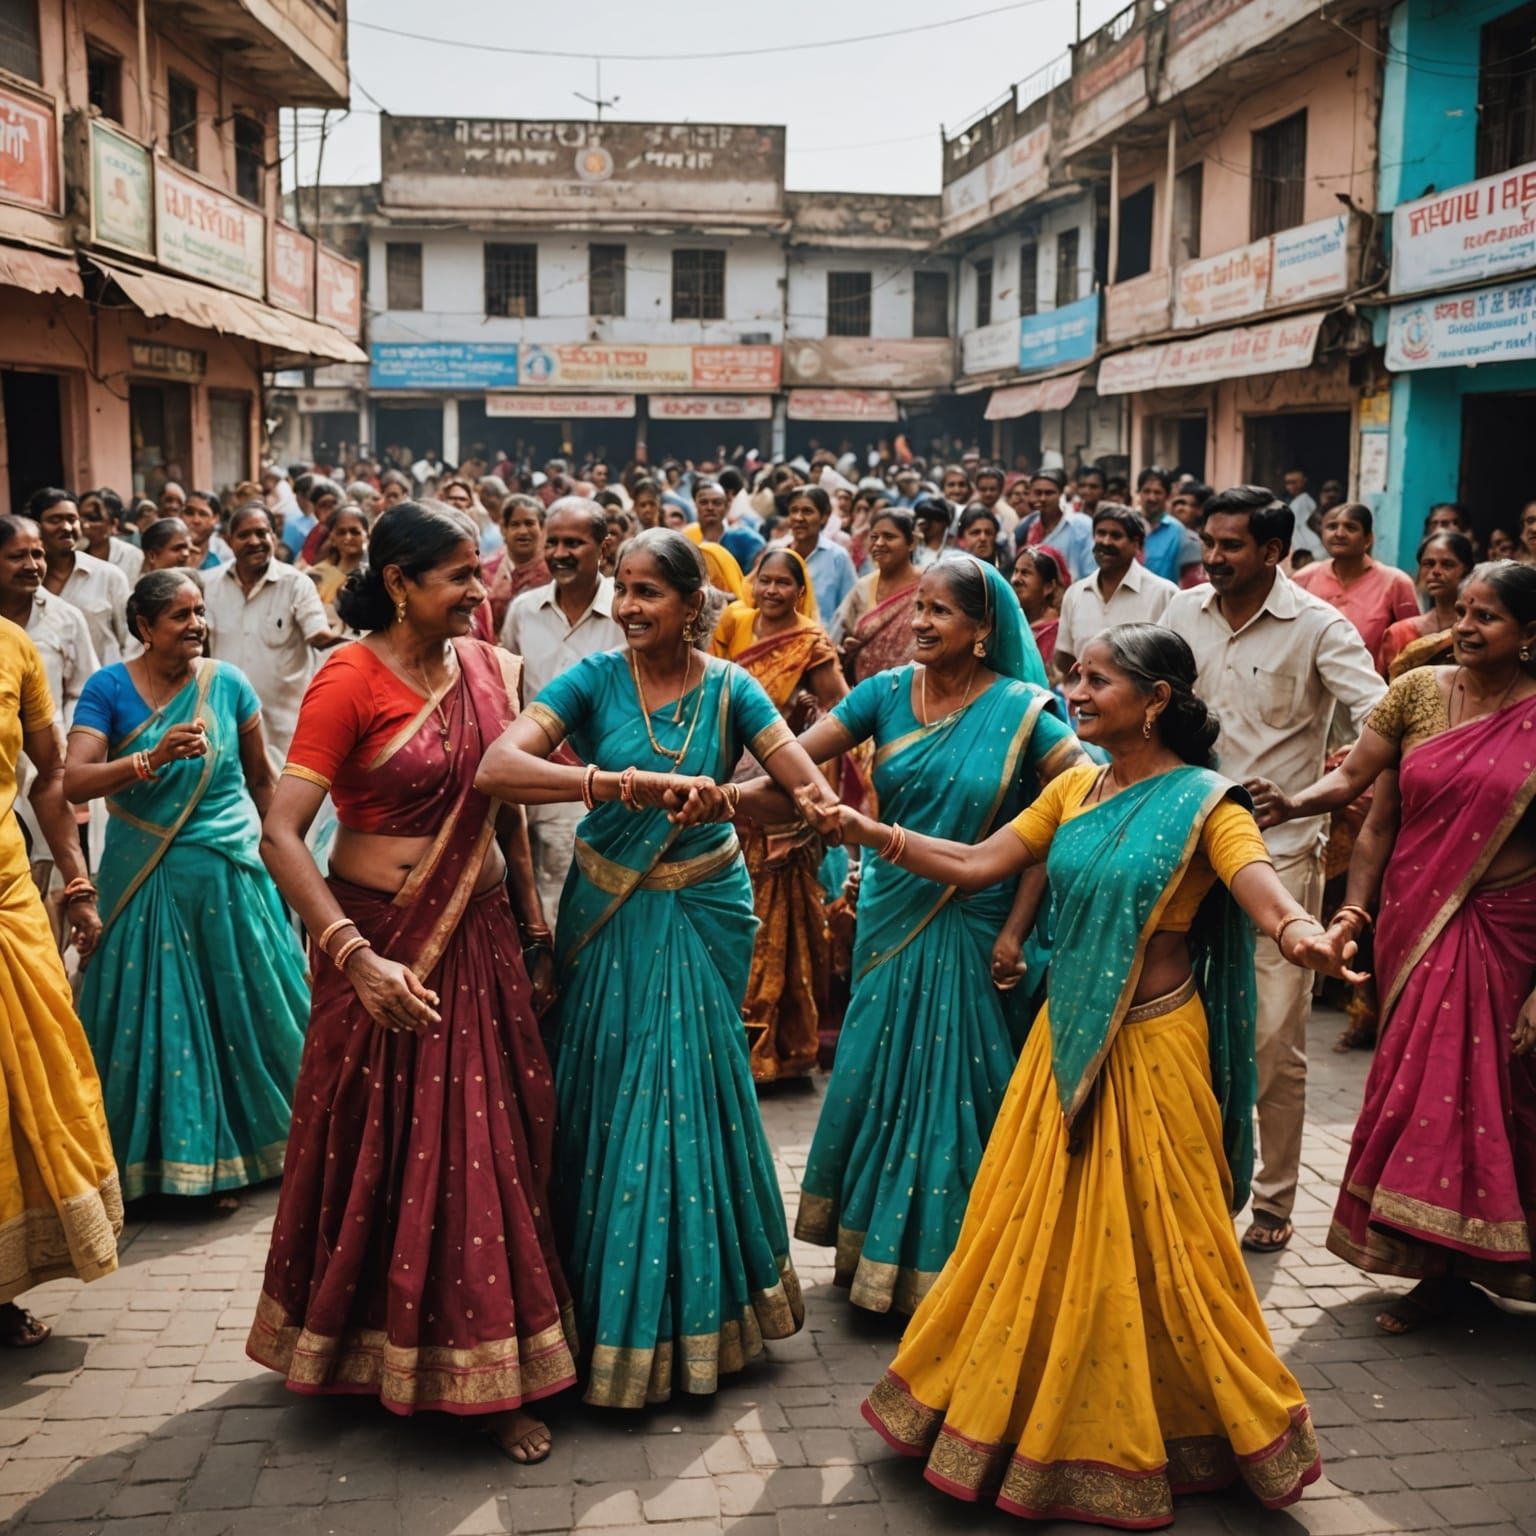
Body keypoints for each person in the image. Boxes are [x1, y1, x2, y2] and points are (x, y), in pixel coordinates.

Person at [811, 624, 1351, 1527]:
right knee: (1027, 1235)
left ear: (1157, 700)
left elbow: (1265, 895)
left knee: (1172, 1251)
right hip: (1062, 1045)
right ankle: (1016, 1412)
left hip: (1150, 1051)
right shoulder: (1073, 787)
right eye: (1074, 675)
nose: (1078, 691)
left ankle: (1200, 1426)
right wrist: (871, 831)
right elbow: (981, 864)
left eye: (1099, 680)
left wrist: (1307, 937)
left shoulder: (1208, 804)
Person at [473, 528, 836, 1409]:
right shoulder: (594, 679)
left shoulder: (733, 688)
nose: (630, 607)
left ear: (692, 604)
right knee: (611, 1098)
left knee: (683, 1094)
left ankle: (696, 1314)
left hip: (702, 907)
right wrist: (605, 784)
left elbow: (807, 792)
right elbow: (498, 766)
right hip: (611, 911)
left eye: (649, 593)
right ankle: (604, 1316)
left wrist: (733, 799)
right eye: (623, 589)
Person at [245, 501, 575, 1463]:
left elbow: (503, 799)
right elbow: (282, 832)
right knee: (381, 1148)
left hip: (476, 938)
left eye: (483, 574)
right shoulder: (349, 678)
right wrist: (354, 954)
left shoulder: (489, 669)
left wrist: (534, 924)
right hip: (381, 944)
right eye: (460, 578)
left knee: (485, 1145)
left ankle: (497, 1368)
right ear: (397, 582)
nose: (482, 594)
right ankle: (360, 1349)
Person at [777, 557, 1077, 1314]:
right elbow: (790, 763)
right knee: (881, 1075)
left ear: (983, 631)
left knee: (958, 1089)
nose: (919, 622)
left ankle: (956, 1266)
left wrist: (1017, 928)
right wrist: (718, 791)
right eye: (918, 608)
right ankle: (875, 1249)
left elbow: (1067, 811)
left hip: (979, 924)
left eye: (941, 612)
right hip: (890, 912)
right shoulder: (883, 694)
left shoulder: (1025, 712)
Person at [1247, 560, 1536, 1331]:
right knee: (1422, 1091)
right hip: (1418, 921)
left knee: (1500, 1098)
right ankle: (1433, 1270)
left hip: (1509, 931)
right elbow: (1364, 805)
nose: (1465, 627)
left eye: (1488, 617)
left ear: (1531, 635)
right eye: (1464, 611)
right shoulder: (1415, 690)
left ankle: (1482, 1260)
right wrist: (1340, 891)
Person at [1162, 487, 1384, 1252]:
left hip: (1278, 861)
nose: (1213, 557)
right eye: (1209, 543)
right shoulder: (1178, 615)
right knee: (1176, 1027)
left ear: (1273, 552)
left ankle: (1274, 1201)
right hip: (1180, 851)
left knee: (1269, 1042)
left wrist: (1306, 799)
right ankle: (1192, 1187)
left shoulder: (1320, 628)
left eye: (1230, 546)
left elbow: (1378, 728)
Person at [64, 571, 307, 1203]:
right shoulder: (107, 688)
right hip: (142, 881)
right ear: (143, 628)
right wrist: (151, 759)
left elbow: (262, 780)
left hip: (229, 878)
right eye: (180, 615)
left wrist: (288, 857)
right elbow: (75, 782)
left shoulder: (226, 683)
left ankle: (268, 1150)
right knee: (159, 1023)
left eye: (200, 612)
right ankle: (173, 1166)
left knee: (249, 1015)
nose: (197, 624)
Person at [0, 614, 121, 1345]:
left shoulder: (14, 646)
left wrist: (75, 883)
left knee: (29, 1083)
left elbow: (53, 776)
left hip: (8, 891)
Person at [712, 548, 847, 1083]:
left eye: (782, 583)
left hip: (782, 792)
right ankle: (731, 1041)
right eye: (763, 580)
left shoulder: (810, 644)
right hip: (729, 790)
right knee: (732, 911)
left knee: (777, 922)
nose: (770, 591)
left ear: (800, 590)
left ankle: (774, 1050)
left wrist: (808, 742)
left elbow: (844, 710)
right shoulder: (732, 627)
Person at [500, 498, 624, 922]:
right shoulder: (524, 611)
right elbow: (509, 697)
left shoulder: (625, 613)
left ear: (603, 548)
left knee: (594, 906)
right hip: (532, 783)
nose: (558, 554)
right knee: (536, 901)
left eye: (573, 543)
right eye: (552, 543)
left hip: (605, 784)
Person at [203, 506, 343, 770]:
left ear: (274, 538)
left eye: (261, 533)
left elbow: (319, 636)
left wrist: (356, 640)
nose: (254, 541)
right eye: (244, 535)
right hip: (223, 721)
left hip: (282, 728)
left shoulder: (297, 584)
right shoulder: (208, 584)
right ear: (229, 541)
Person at [1053, 505, 1177, 678]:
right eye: (1100, 533)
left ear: (1136, 544)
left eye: (1116, 536)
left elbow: (1173, 663)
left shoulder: (1163, 593)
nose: (1106, 542)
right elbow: (1064, 656)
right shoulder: (1076, 593)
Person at [1293, 503, 1420, 666]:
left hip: (1372, 687)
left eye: (1350, 528)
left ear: (1368, 539)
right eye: (1332, 527)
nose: (1339, 534)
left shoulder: (1395, 582)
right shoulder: (1304, 578)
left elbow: (1411, 647)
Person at [30, 488, 131, 667]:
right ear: (36, 526)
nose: (67, 528)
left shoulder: (108, 576)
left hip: (104, 690)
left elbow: (131, 642)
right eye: (55, 520)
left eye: (72, 519)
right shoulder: (25, 583)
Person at [832, 509, 922, 682]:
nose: (879, 543)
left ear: (912, 543)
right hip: (867, 690)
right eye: (874, 537)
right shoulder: (862, 587)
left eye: (889, 537)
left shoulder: (928, 585)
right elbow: (840, 638)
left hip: (915, 688)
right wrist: (847, 648)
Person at [1377, 531, 1475, 676]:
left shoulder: (1476, 629)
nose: (1436, 571)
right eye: (1428, 564)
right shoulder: (1400, 633)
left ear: (1467, 572)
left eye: (1447, 564)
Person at [784, 486, 856, 627]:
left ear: (824, 517)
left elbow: (850, 607)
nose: (799, 518)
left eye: (807, 511)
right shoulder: (778, 553)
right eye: (794, 511)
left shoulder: (837, 557)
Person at [483, 494, 551, 634]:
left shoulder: (553, 570)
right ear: (503, 529)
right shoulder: (486, 570)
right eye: (515, 524)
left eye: (529, 523)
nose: (523, 531)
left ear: (543, 528)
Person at [1018, 468, 1093, 580]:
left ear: (1061, 494)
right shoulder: (1028, 526)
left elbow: (1090, 571)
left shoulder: (1081, 525)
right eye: (1038, 493)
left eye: (1049, 493)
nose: (1043, 498)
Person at [1137, 466, 1202, 585]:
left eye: (1158, 492)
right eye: (1147, 491)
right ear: (1138, 493)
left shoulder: (1177, 531)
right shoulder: (1129, 525)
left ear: (1168, 496)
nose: (1152, 498)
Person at [306, 505, 370, 623]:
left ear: (366, 534)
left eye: (354, 532)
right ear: (332, 537)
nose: (348, 537)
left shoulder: (373, 575)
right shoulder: (317, 573)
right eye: (341, 532)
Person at [687, 478, 765, 571]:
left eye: (717, 503)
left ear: (727, 506)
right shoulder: (688, 538)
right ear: (695, 505)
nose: (710, 507)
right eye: (704, 502)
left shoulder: (745, 539)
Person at [1009, 545, 1065, 675]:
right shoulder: (1009, 624)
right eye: (1015, 571)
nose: (1015, 579)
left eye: (1025, 573)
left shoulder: (1058, 633)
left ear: (1048, 587)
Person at [79, 488, 143, 582]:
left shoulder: (131, 556)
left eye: (93, 518)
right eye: (79, 518)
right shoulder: (71, 555)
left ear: (113, 523)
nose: (84, 525)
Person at [1283, 466, 1325, 563]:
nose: (1290, 486)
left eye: (1294, 482)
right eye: (1288, 483)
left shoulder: (1305, 500)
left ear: (1303, 482)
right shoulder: (1293, 502)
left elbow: (1312, 524)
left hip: (1310, 548)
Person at [183, 490, 231, 571]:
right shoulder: (167, 552)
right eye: (189, 513)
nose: (195, 520)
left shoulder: (223, 558)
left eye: (203, 514)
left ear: (215, 519)